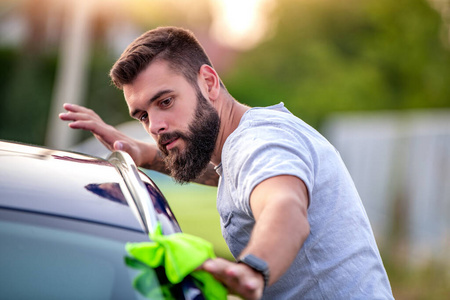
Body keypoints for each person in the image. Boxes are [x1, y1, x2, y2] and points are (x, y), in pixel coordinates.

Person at [59, 26, 394, 299]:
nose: (155, 125)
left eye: (165, 101)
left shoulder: (260, 143)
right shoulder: (238, 149)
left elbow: (286, 208)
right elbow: (229, 178)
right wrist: (143, 152)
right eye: (143, 115)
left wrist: (252, 269)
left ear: (209, 82)